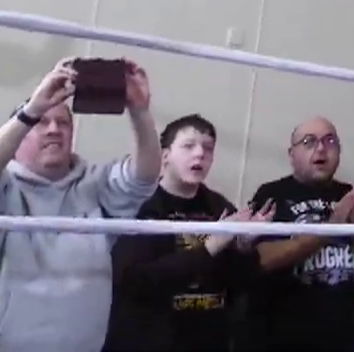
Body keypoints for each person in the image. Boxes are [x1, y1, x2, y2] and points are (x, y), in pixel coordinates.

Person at [0, 58, 161, 352]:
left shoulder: (93, 185)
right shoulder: (1, 188)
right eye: (41, 123)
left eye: (63, 123)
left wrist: (139, 111)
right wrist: (30, 111)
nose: (53, 129)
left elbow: (143, 179)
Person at [105, 114, 271, 350]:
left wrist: (244, 248)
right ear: (165, 156)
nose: (200, 154)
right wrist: (211, 246)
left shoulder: (219, 206)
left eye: (208, 148)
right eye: (188, 146)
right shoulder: (142, 205)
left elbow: (240, 285)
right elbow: (135, 281)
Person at [245, 116, 354, 352]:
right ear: (292, 154)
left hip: (342, 339)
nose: (321, 149)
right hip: (282, 338)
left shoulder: (352, 196)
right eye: (309, 141)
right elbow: (261, 259)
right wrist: (330, 227)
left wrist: (353, 226)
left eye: (330, 141)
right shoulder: (272, 193)